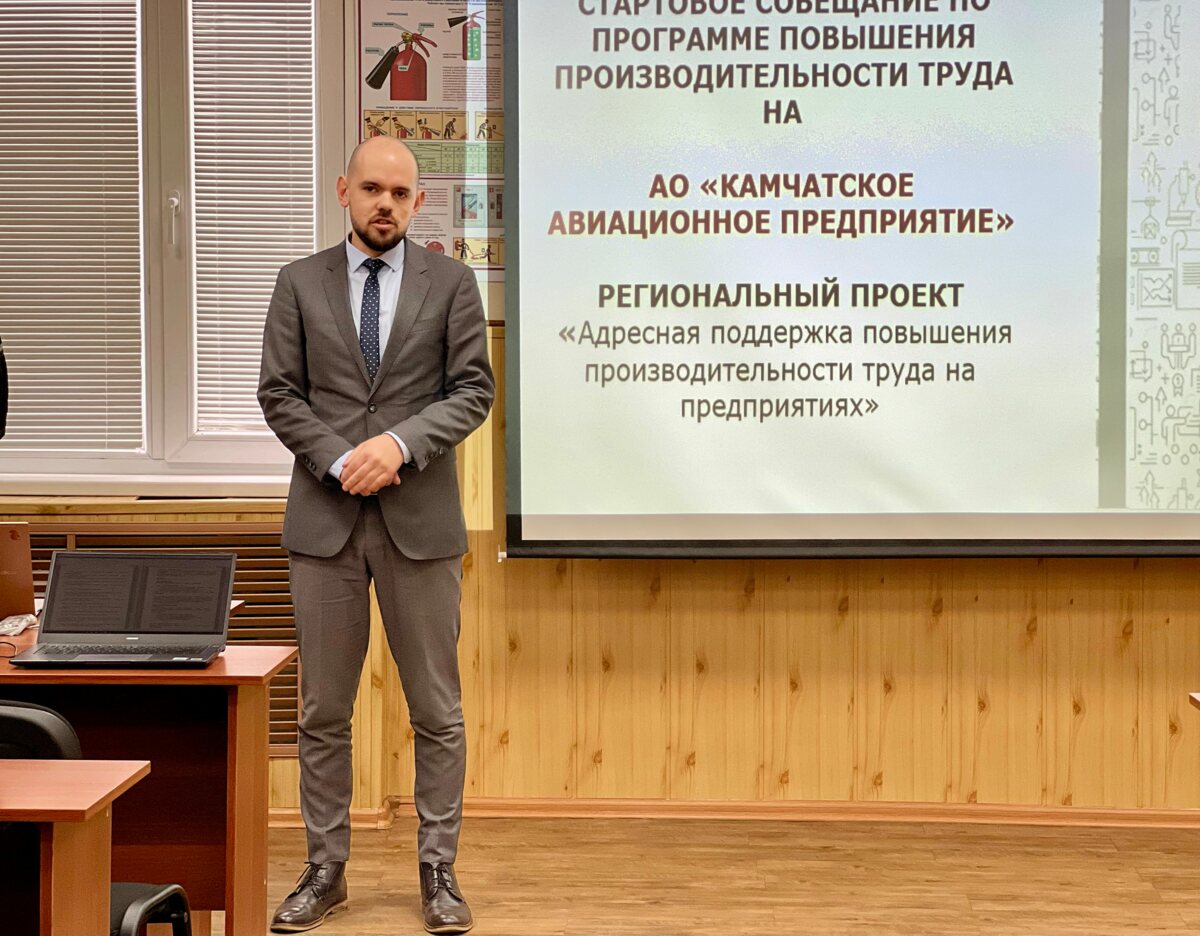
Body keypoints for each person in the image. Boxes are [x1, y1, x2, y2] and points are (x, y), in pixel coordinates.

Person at [258, 135, 494, 934]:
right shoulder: (298, 282)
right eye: (371, 189)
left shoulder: (452, 283)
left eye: (399, 192)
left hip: (420, 524)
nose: (384, 203)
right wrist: (339, 460)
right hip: (324, 525)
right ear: (343, 191)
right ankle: (325, 870)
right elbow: (279, 393)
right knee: (322, 710)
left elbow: (473, 390)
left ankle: (439, 871)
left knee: (437, 709)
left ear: (417, 202)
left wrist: (397, 445)